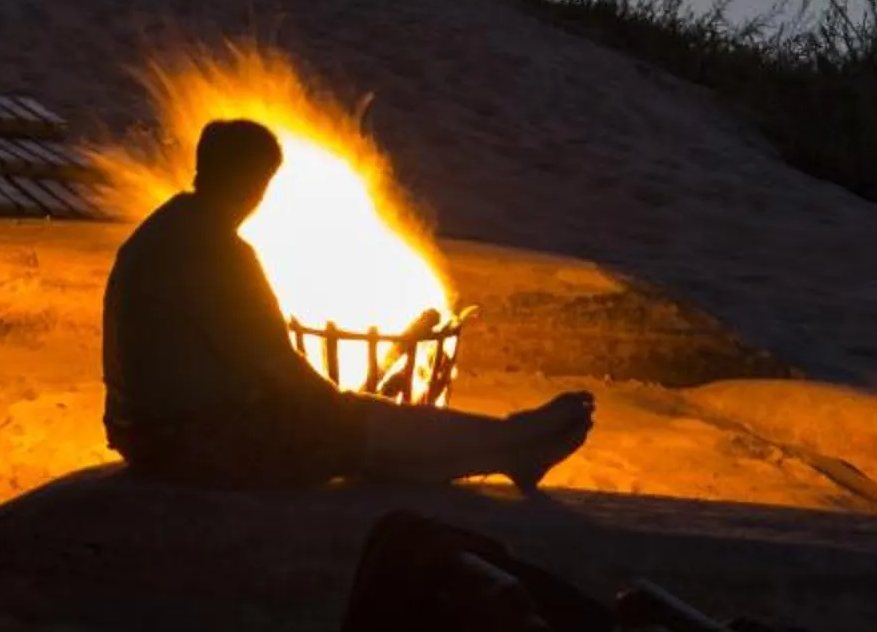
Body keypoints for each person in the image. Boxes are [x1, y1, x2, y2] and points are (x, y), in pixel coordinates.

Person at [104, 117, 594, 489]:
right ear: (254, 183)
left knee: (360, 430)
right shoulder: (215, 249)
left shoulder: (166, 228)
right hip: (188, 442)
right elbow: (275, 362)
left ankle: (509, 446)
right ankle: (512, 444)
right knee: (365, 432)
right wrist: (339, 410)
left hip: (149, 432)